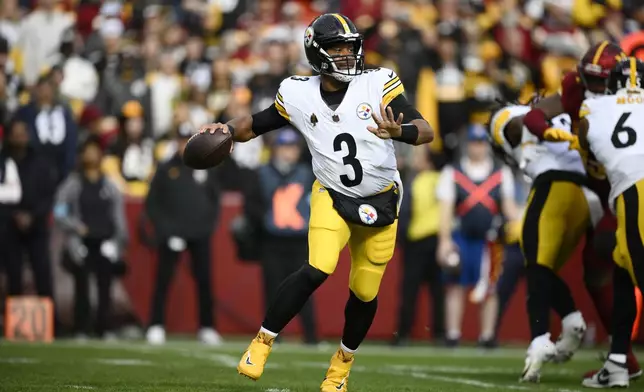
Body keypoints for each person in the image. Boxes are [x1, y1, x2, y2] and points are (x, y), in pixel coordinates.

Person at [198, 13, 433, 391]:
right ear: (317, 53)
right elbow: (256, 124)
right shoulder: (296, 92)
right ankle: (262, 341)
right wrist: (224, 128)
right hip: (332, 195)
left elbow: (426, 131)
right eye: (338, 49)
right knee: (318, 267)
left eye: (350, 48)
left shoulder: (378, 82)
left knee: (365, 292)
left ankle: (341, 366)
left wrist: (399, 130)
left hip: (382, 200)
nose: (346, 56)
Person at [523, 42, 642, 380]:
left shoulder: (609, 106)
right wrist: (548, 130)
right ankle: (621, 358)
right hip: (613, 190)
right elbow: (537, 114)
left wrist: (576, 139)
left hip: (629, 186)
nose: (594, 90)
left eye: (601, 81)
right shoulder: (583, 94)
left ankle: (621, 358)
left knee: (620, 258)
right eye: (589, 81)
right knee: (609, 263)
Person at [487, 100, 603, 382]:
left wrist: (540, 113)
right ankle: (573, 321)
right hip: (589, 198)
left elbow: (519, 124)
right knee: (543, 272)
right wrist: (541, 112)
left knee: (535, 264)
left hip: (554, 186)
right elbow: (516, 126)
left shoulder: (523, 113)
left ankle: (540, 338)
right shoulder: (524, 114)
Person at [559, 57, 644, 389]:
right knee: (622, 272)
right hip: (630, 193)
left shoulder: (591, 111)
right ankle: (618, 362)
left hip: (634, 189)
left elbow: (591, 159)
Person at [436, 124, 518, 348]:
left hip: (490, 240)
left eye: (481, 143)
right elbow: (445, 210)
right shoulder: (452, 172)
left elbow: (510, 208)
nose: (478, 148)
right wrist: (444, 242)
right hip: (460, 236)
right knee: (455, 285)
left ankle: (487, 335)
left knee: (490, 287)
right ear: (467, 145)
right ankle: (452, 334)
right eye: (474, 143)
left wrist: (522, 221)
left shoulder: (501, 172)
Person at [145, 123, 222, 346]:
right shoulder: (165, 168)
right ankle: (156, 325)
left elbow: (215, 200)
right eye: (180, 139)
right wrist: (166, 231)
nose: (183, 144)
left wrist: (207, 227)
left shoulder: (206, 166)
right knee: (163, 280)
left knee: (205, 281)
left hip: (199, 233)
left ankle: (207, 327)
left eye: (188, 139)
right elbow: (153, 204)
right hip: (172, 235)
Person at [244, 129, 318, 345]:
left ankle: (311, 335)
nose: (288, 152)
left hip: (299, 240)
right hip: (272, 240)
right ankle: (272, 335)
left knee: (304, 288)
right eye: (284, 147)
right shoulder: (262, 173)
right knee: (273, 288)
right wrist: (265, 220)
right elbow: (251, 204)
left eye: (292, 148)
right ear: (275, 149)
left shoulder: (308, 173)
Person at [54, 136, 128, 338]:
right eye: (87, 151)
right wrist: (76, 227)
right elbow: (60, 212)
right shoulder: (72, 184)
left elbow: (118, 216)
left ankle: (104, 327)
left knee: (106, 287)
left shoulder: (109, 186)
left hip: (105, 242)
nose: (91, 155)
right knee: (82, 286)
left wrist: (119, 241)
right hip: (82, 242)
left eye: (95, 151)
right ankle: (81, 328)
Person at [393, 146, 444, 345]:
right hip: (435, 240)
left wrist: (401, 238)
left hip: (417, 241)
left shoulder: (419, 181)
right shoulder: (441, 179)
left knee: (409, 291)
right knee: (437, 292)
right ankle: (439, 334)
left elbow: (405, 212)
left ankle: (403, 334)